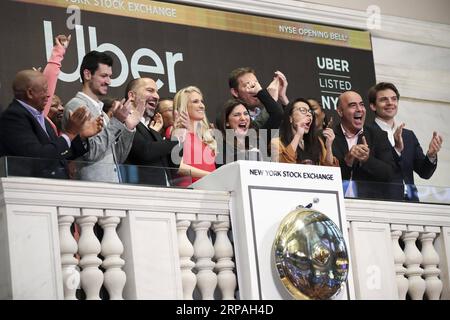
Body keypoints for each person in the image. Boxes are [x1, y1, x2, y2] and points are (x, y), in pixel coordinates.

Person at [0, 70, 102, 178]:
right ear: (30, 93)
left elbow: (57, 154)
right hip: (31, 191)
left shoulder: (40, 118)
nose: (48, 95)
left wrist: (80, 136)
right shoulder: (13, 117)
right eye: (44, 90)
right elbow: (37, 159)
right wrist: (69, 134)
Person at [63, 51, 145, 183]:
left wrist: (129, 128)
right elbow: (91, 153)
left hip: (110, 188)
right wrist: (117, 121)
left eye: (110, 76)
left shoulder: (100, 110)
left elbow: (117, 157)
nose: (109, 81)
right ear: (87, 74)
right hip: (90, 190)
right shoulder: (77, 106)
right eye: (104, 76)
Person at [368, 82, 443, 201]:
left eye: (394, 99)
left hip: (411, 202)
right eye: (384, 99)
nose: (390, 103)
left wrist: (431, 155)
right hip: (382, 203)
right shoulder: (366, 133)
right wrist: (396, 150)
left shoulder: (408, 135)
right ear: (373, 106)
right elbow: (371, 170)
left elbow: (425, 173)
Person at [332, 91, 397, 199]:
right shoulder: (328, 137)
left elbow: (389, 174)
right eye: (353, 105)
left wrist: (367, 160)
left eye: (361, 105)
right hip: (337, 202)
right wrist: (347, 162)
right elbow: (325, 177)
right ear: (340, 111)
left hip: (369, 205)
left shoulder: (378, 135)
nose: (359, 109)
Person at [124, 78, 179, 186]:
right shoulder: (124, 119)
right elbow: (145, 151)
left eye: (157, 92)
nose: (157, 96)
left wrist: (179, 134)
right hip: (141, 195)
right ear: (132, 96)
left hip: (164, 194)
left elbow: (173, 167)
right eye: (150, 90)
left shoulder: (151, 129)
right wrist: (174, 141)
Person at [271, 98, 338, 166]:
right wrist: (298, 135)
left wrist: (329, 147)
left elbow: (329, 168)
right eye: (303, 110)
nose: (309, 114)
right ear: (290, 118)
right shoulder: (276, 143)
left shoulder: (318, 142)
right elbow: (282, 166)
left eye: (310, 112)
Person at [173, 86, 217, 186]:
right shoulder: (175, 131)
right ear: (184, 106)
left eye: (201, 101)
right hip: (190, 194)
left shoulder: (204, 136)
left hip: (212, 191)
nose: (202, 106)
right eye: (195, 101)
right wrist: (212, 175)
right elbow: (178, 166)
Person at [217, 99, 263, 167]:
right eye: (237, 115)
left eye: (246, 114)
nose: (243, 118)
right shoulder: (221, 145)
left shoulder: (257, 141)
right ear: (227, 122)